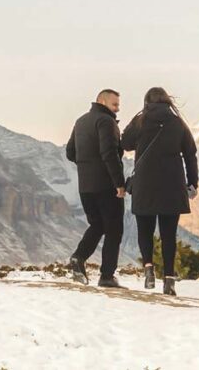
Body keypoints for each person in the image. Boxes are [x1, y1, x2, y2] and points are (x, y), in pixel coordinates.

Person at [121, 87, 198, 296]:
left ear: (147, 101)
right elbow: (191, 154)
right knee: (168, 234)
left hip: (145, 183)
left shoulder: (140, 121)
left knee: (144, 229)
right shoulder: (178, 123)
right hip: (172, 184)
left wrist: (135, 121)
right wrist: (193, 183)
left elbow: (125, 143)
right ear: (167, 101)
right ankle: (169, 278)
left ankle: (148, 269)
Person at [65, 88, 126, 288]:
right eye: (114, 104)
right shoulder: (106, 122)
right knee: (114, 229)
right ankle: (107, 275)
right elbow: (109, 154)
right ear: (102, 101)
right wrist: (119, 183)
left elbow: (70, 152)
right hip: (106, 185)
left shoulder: (80, 121)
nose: (118, 109)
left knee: (97, 225)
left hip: (85, 186)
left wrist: (87, 166)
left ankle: (78, 257)